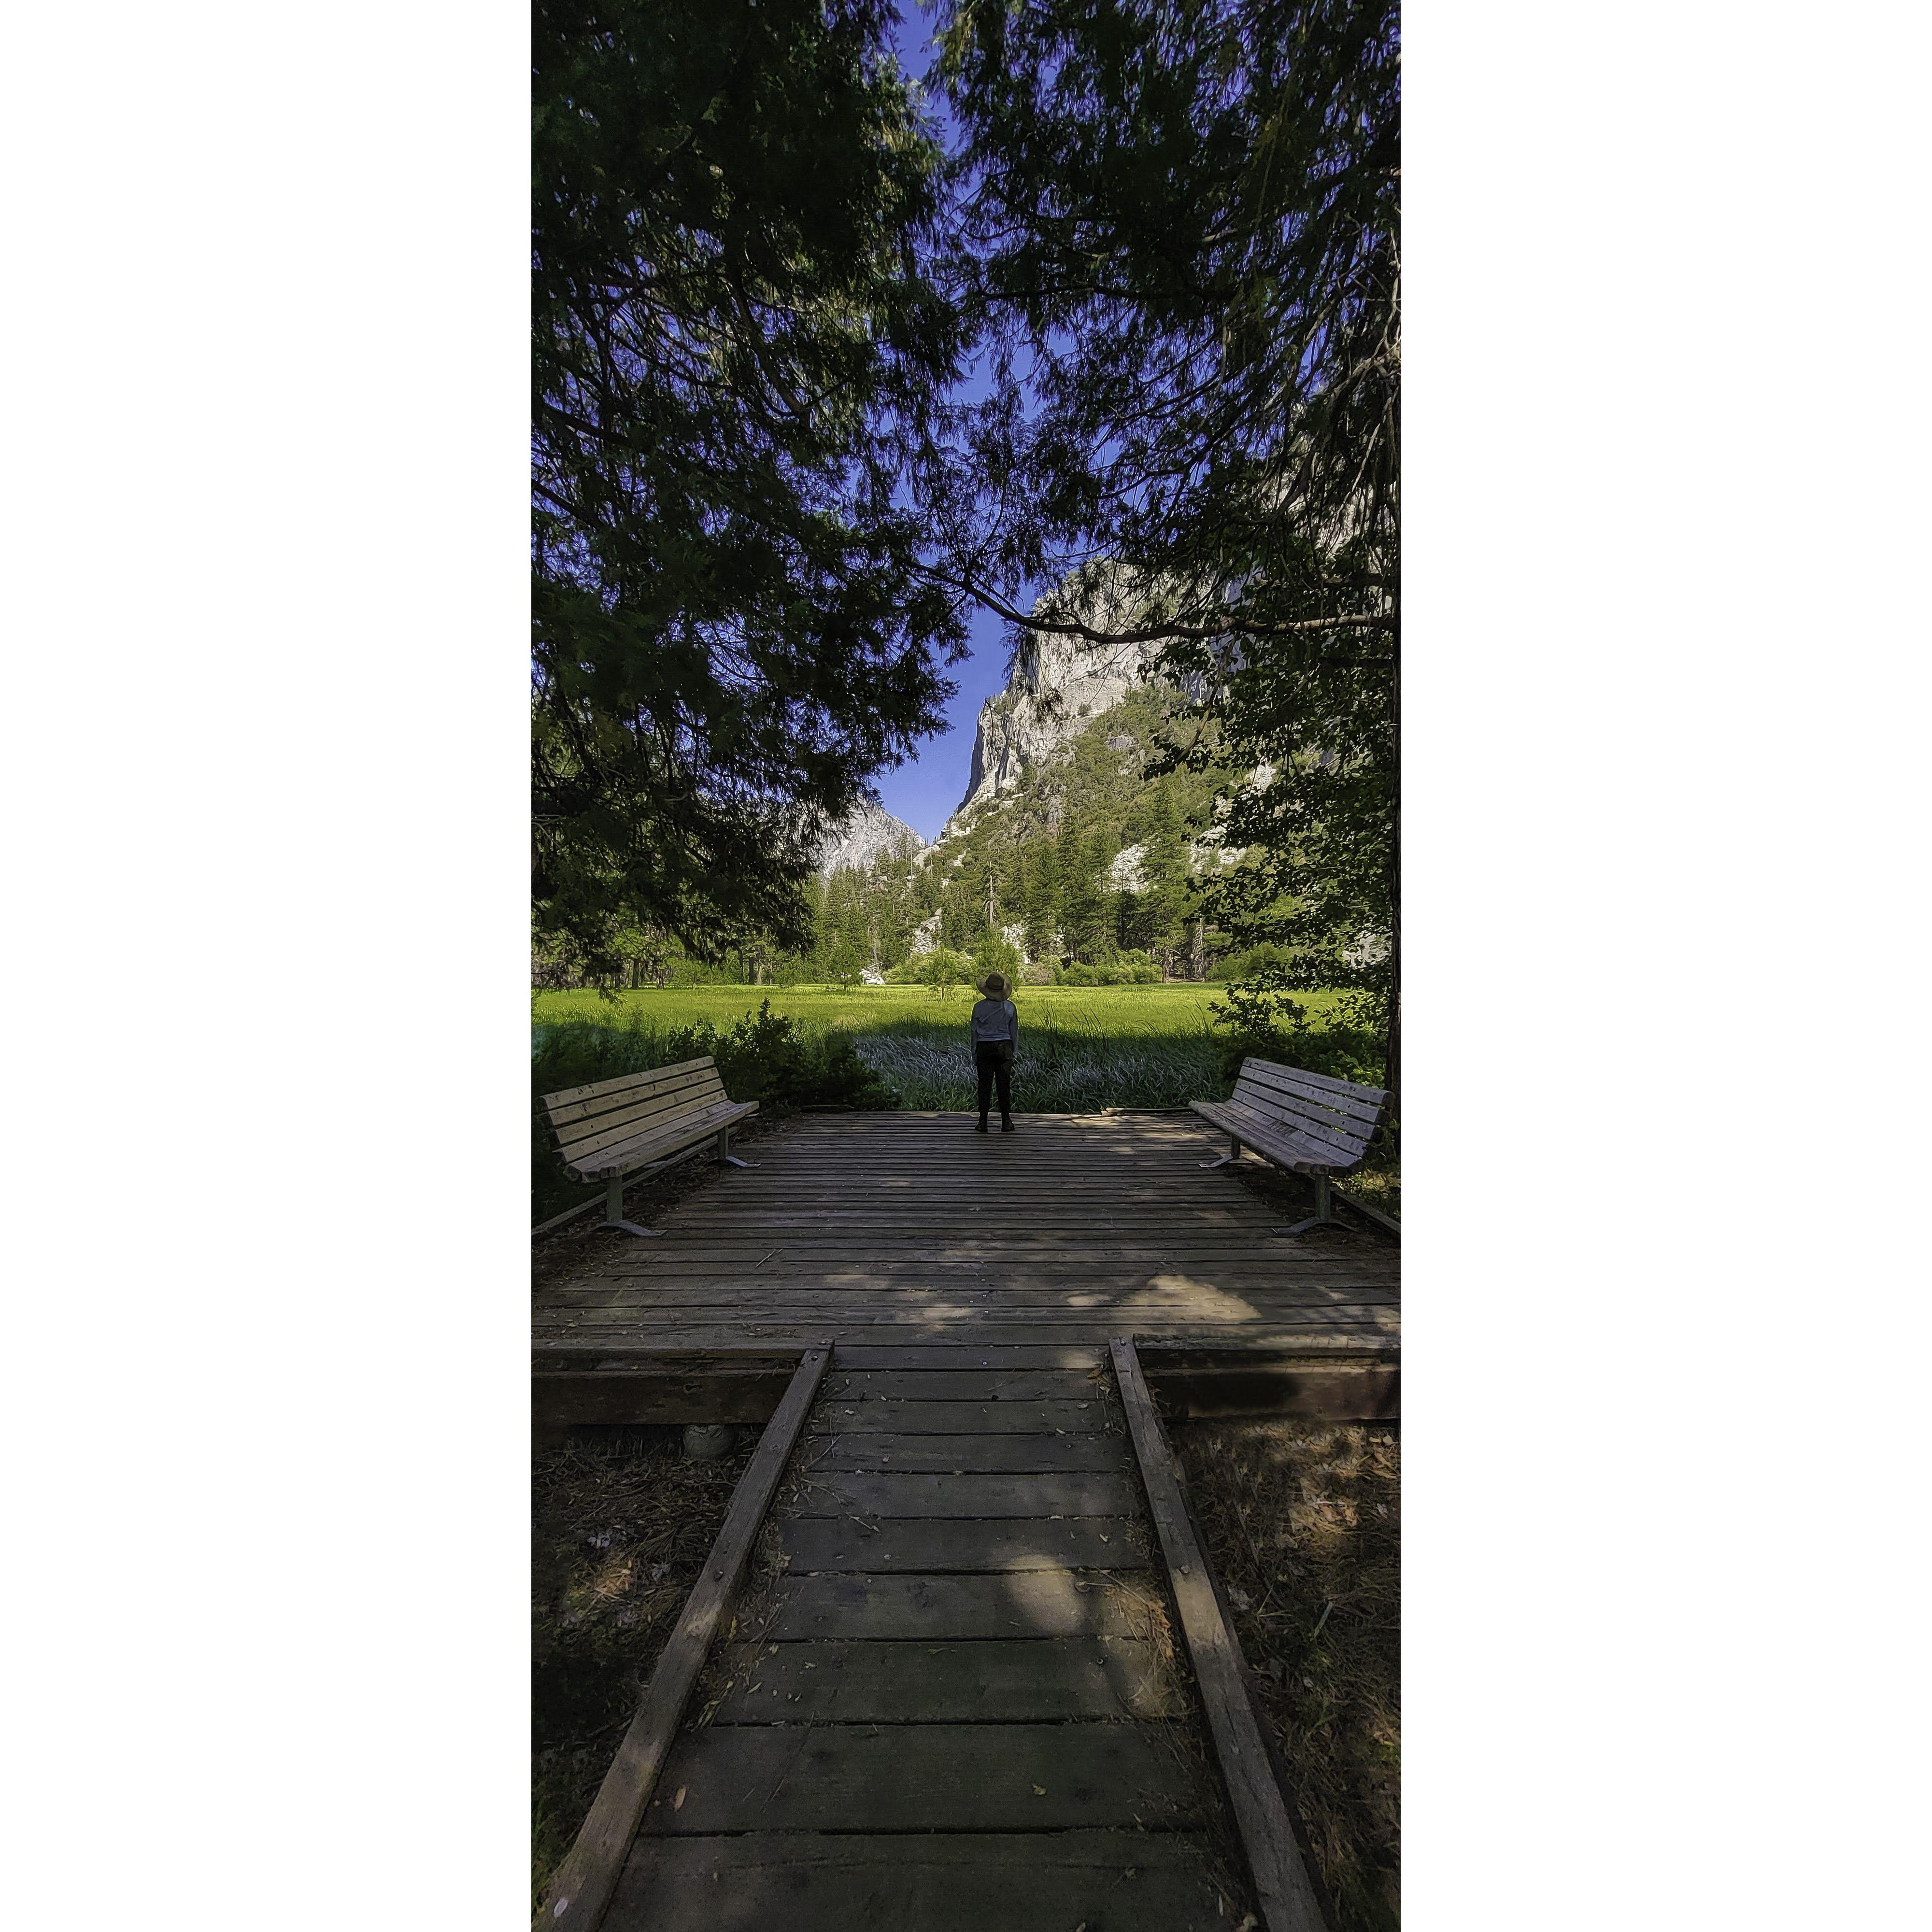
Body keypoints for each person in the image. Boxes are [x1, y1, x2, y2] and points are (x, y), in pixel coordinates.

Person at [969, 971, 1018, 1133]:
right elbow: (1014, 1032)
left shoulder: (979, 1007)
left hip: (984, 1047)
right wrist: (1015, 1052)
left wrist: (974, 1052)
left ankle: (983, 1122)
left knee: (984, 1085)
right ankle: (1006, 1121)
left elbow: (974, 1033)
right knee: (1004, 1086)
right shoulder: (1010, 1007)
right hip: (1005, 1047)